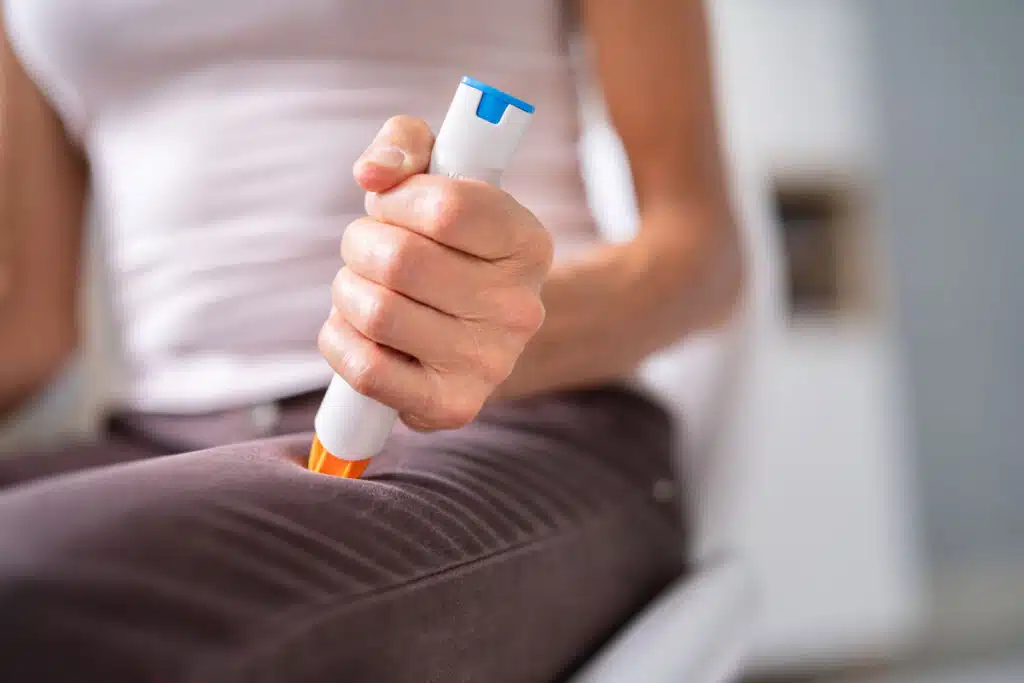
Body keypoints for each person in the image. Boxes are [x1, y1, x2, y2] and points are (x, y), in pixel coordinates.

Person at [0, 0, 742, 680]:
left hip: (506, 420)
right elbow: (34, 331)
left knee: (31, 583)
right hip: (155, 438)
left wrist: (493, 330)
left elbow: (706, 259)